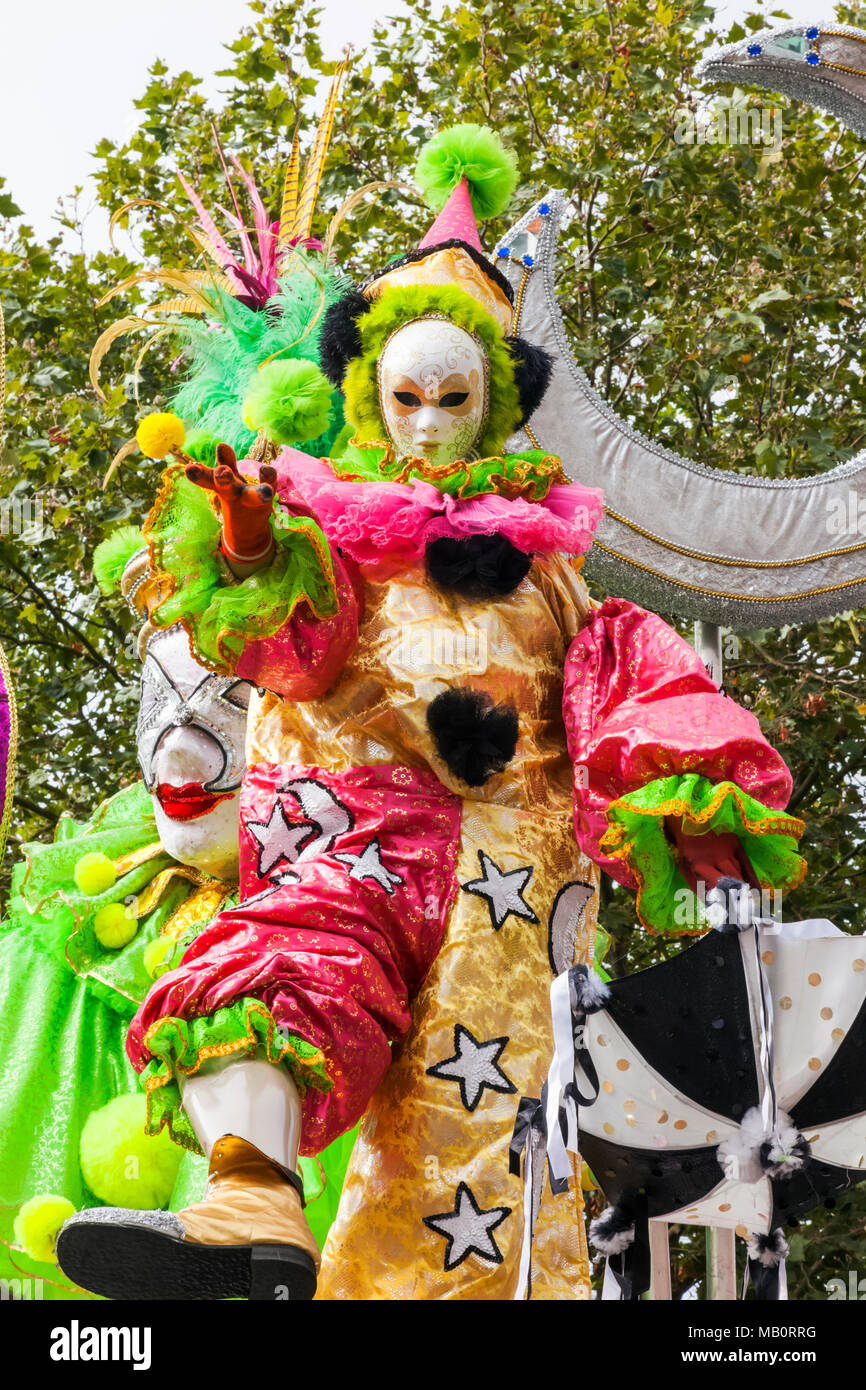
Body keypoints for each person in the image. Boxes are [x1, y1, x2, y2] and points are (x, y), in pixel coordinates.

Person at [57, 124, 805, 1301]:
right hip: (353, 841)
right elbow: (280, 649)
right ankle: (251, 1196)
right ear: (369, 391)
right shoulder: (335, 540)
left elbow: (628, 688)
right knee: (266, 970)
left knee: (487, 1159)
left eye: (453, 398)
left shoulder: (557, 577)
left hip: (510, 881)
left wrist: (687, 806)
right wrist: (251, 545)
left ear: (493, 403)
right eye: (404, 397)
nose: (426, 422)